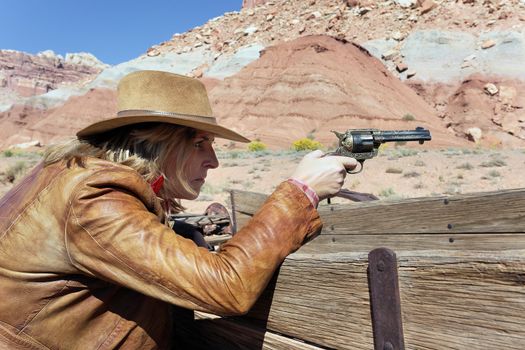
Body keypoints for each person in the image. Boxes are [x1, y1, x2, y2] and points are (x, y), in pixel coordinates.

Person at [0, 70, 356, 349]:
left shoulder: (74, 175)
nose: (213, 161)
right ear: (156, 143)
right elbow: (228, 287)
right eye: (201, 144)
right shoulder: (96, 196)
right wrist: (302, 192)